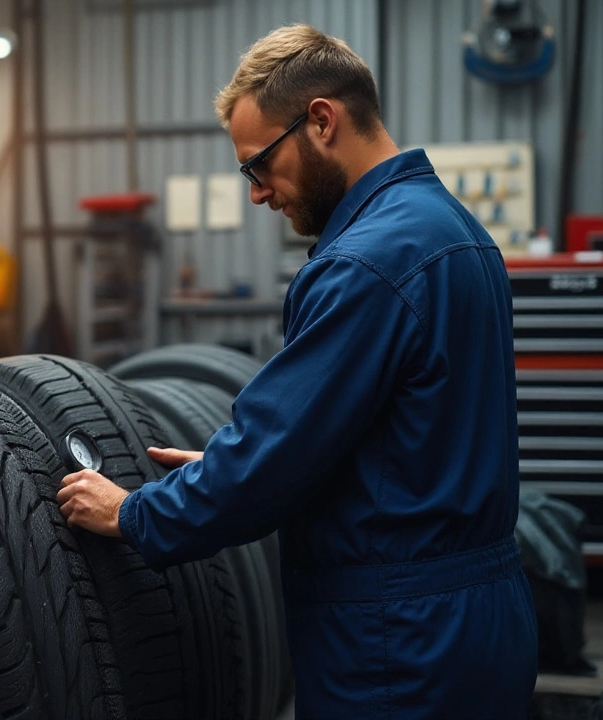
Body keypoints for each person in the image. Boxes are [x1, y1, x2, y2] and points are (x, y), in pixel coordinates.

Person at [56, 24, 538, 719]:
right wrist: (261, 470)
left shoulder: (365, 263)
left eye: (258, 166)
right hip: (481, 621)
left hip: (399, 647)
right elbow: (409, 441)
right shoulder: (456, 232)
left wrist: (134, 511)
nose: (256, 194)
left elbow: (270, 455)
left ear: (320, 120)